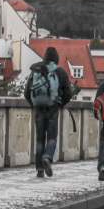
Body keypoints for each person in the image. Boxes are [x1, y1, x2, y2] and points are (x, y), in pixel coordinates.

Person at [24, 46, 73, 177]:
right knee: (52, 137)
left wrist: (34, 105)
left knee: (40, 139)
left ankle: (40, 169)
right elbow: (69, 92)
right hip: (52, 108)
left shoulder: (36, 71)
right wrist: (60, 104)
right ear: (56, 59)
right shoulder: (60, 72)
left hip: (38, 110)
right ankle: (47, 157)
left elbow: (26, 92)